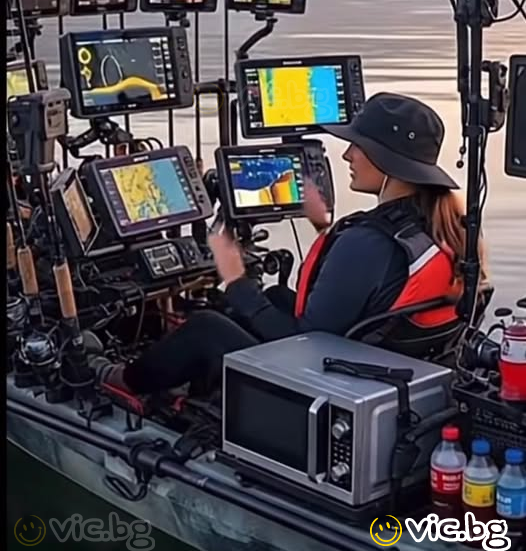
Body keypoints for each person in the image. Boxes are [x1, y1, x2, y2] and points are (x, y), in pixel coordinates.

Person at [108, 93, 489, 396]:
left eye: (356, 146)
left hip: (330, 386)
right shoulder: (444, 227)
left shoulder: (367, 242)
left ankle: (121, 380)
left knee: (206, 326)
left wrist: (236, 279)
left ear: (384, 159)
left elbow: (304, 342)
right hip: (384, 373)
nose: (347, 155)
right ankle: (206, 388)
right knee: (275, 296)